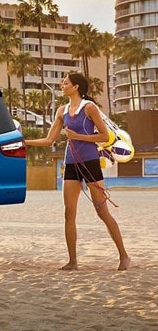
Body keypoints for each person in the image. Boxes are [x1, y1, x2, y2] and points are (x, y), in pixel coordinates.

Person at [25, 73, 130, 271]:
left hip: (90, 162)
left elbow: (104, 135)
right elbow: (49, 141)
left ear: (76, 87)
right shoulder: (61, 111)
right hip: (71, 163)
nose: (62, 85)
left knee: (102, 212)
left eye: (65, 83)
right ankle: (73, 261)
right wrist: (24, 142)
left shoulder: (89, 108)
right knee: (69, 213)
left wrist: (78, 135)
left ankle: (124, 256)